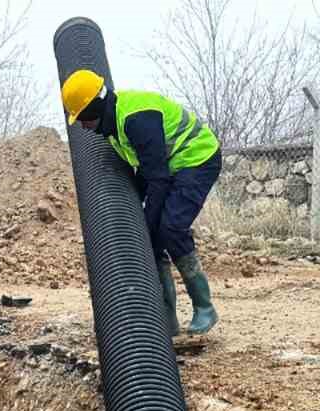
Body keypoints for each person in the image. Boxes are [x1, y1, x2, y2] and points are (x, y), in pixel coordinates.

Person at [61, 70, 224, 336]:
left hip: (197, 158)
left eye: (81, 118)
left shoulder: (136, 119)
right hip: (171, 165)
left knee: (170, 229)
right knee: (155, 238)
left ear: (93, 108)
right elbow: (145, 171)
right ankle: (167, 318)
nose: (81, 125)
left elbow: (157, 178)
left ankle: (204, 307)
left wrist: (146, 226)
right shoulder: (112, 124)